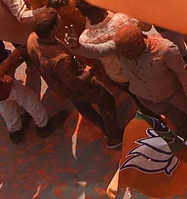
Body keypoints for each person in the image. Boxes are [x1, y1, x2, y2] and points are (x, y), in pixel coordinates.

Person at [76, 24, 187, 138]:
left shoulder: (165, 49)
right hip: (146, 97)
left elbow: (182, 73)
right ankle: (181, 123)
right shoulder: (121, 46)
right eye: (122, 52)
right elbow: (97, 50)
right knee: (168, 112)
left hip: (173, 93)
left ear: (140, 41)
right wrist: (78, 47)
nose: (124, 55)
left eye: (128, 52)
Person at [23, 9, 122, 147]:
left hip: (60, 86)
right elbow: (76, 84)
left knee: (81, 104)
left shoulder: (32, 38)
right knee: (107, 99)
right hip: (77, 86)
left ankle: (104, 127)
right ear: (54, 29)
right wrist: (93, 70)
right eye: (58, 19)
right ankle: (114, 137)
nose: (61, 19)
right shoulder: (61, 60)